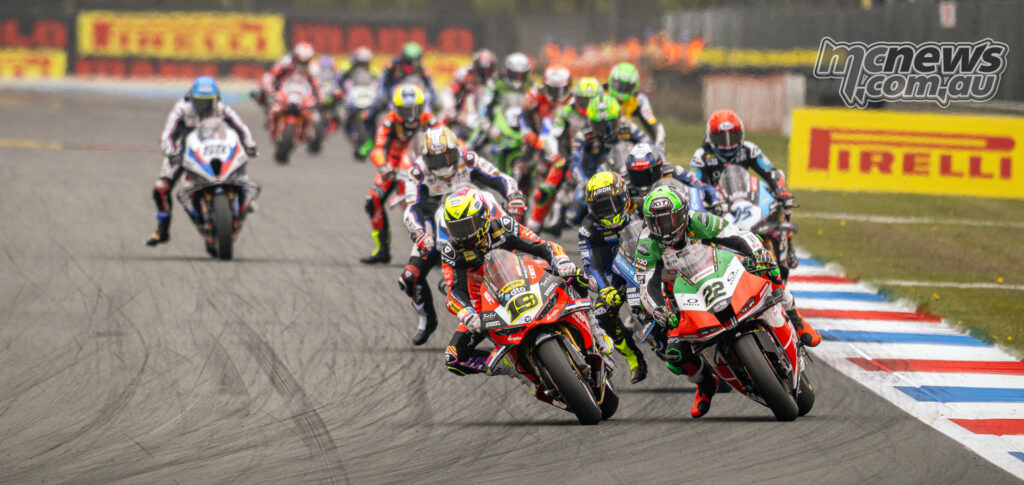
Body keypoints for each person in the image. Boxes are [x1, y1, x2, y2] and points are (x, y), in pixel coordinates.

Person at [632, 184, 820, 418]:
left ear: (682, 214)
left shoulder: (698, 220)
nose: (665, 228)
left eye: (669, 220)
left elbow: (738, 235)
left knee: (768, 271)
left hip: (719, 270)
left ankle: (796, 317)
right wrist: (659, 310)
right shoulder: (646, 244)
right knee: (675, 355)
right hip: (683, 295)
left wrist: (758, 253)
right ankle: (705, 383)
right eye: (657, 222)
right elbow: (645, 285)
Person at [439, 187, 605, 377]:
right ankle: (516, 373)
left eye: (468, 225)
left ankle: (596, 329)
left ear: (483, 215)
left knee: (572, 273)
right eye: (457, 228)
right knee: (453, 358)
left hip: (522, 278)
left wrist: (560, 261)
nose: (464, 234)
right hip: (483, 307)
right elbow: (454, 292)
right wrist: (466, 313)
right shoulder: (451, 251)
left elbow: (542, 246)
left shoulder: (503, 226)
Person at [400, 126, 525, 345]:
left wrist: (514, 196)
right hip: (435, 223)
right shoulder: (417, 172)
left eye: (448, 157)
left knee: (515, 230)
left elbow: (499, 178)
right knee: (410, 276)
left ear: (456, 151)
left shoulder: (468, 159)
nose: (444, 164)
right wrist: (419, 233)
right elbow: (411, 208)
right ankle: (427, 319)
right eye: (437, 160)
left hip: (475, 214)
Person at [147, 76, 258, 246]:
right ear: (191, 98)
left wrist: (249, 144)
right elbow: (167, 135)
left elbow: (241, 128)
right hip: (184, 152)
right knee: (161, 188)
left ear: (216, 99)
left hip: (216, 148)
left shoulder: (222, 109)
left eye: (208, 101)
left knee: (240, 160)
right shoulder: (181, 110)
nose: (203, 106)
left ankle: (244, 201)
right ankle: (162, 229)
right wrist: (170, 152)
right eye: (199, 101)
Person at [692, 109, 797, 267]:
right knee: (698, 229)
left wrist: (780, 188)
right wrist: (706, 199)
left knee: (783, 203)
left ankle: (786, 251)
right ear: (711, 136)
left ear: (741, 134)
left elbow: (771, 172)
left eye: (732, 137)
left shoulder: (749, 149)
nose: (727, 144)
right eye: (721, 138)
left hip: (747, 199)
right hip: (718, 206)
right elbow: (695, 184)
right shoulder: (701, 156)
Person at [578, 171, 648, 383]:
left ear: (625, 196)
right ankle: (633, 358)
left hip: (652, 260)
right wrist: (605, 289)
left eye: (613, 203)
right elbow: (591, 264)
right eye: (601, 207)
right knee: (601, 312)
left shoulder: (643, 205)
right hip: (617, 274)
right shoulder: (588, 228)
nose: (608, 211)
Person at [360, 84, 439, 264]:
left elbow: (447, 139)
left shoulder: (430, 119)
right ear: (396, 109)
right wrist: (383, 166)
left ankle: (443, 247)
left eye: (415, 109)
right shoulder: (389, 120)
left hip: (424, 165)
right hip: (394, 166)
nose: (411, 116)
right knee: (373, 199)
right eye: (405, 110)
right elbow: (378, 148)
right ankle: (382, 249)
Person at [525, 76, 603, 234]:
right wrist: (556, 155)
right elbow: (553, 136)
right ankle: (534, 225)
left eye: (591, 101)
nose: (587, 106)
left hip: (598, 157)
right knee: (544, 190)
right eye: (583, 100)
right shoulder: (566, 111)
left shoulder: (606, 110)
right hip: (570, 158)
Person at [566, 94, 650, 226]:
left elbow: (649, 147)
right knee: (572, 216)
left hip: (623, 173)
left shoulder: (628, 127)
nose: (607, 131)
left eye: (611, 124)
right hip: (592, 179)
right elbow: (574, 163)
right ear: (591, 122)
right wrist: (584, 182)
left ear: (618, 117)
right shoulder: (583, 135)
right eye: (600, 126)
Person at [625, 142, 724, 212]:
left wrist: (715, 199)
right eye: (637, 176)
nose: (643, 181)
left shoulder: (673, 171)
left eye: (648, 175)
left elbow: (701, 186)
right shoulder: (624, 184)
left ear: (659, 168)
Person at [606, 62, 665, 154]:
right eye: (618, 85)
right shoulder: (600, 93)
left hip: (625, 142)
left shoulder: (639, 100)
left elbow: (653, 126)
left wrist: (658, 149)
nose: (621, 90)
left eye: (627, 87)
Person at [252, 42, 322, 116]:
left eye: (303, 63)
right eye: (298, 61)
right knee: (262, 85)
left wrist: (319, 98)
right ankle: (265, 106)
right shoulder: (287, 60)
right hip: (284, 88)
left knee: (314, 114)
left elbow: (317, 84)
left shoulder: (313, 67)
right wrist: (269, 87)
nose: (300, 65)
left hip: (304, 92)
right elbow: (273, 73)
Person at [443, 49, 497, 131]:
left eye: (488, 70)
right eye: (483, 70)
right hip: (458, 109)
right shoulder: (464, 73)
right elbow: (449, 92)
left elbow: (485, 103)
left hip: (478, 116)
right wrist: (451, 108)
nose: (485, 73)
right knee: (446, 116)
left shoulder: (492, 83)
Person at [378, 42, 437, 111]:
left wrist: (435, 100)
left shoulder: (422, 70)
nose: (410, 64)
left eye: (414, 61)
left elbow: (431, 87)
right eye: (408, 61)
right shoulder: (394, 66)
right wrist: (384, 95)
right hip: (397, 97)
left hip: (417, 99)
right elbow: (383, 82)